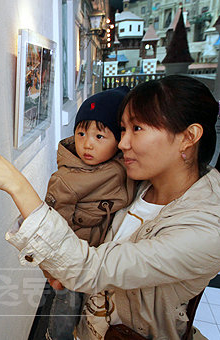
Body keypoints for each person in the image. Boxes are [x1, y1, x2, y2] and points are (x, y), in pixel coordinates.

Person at [0, 75, 220, 340]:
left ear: (188, 137)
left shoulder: (206, 232)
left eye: (137, 129)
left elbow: (93, 268)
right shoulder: (137, 183)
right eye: (123, 130)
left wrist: (16, 183)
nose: (123, 143)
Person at [44, 87, 135, 340]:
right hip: (75, 259)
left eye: (99, 136)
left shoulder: (123, 164)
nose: (87, 143)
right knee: (67, 305)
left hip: (102, 262)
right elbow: (54, 225)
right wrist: (55, 266)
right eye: (81, 133)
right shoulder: (66, 179)